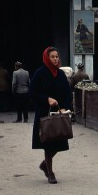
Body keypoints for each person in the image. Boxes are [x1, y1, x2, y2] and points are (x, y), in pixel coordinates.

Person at [30, 46, 73, 184]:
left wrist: (65, 107)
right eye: (52, 57)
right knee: (48, 144)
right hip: (44, 114)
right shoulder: (40, 73)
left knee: (59, 143)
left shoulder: (60, 74)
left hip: (59, 114)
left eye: (56, 56)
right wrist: (46, 99)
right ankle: (50, 173)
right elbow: (32, 92)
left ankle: (44, 164)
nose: (55, 59)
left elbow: (67, 92)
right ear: (47, 58)